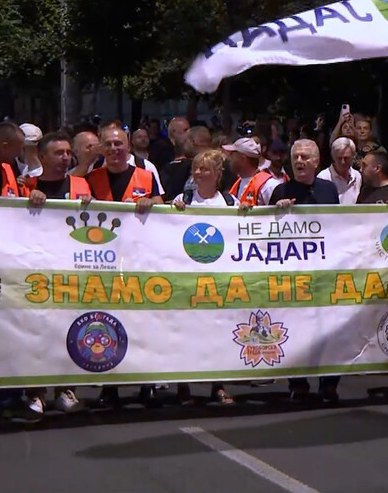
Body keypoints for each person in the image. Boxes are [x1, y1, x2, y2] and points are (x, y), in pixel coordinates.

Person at [87, 123, 162, 410]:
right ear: (102, 148)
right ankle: (110, 385)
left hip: (139, 261)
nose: (115, 149)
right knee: (106, 324)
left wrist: (152, 201)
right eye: (109, 144)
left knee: (142, 323)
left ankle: (148, 384)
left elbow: (161, 202)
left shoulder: (146, 174)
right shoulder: (91, 178)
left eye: (120, 144)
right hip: (103, 262)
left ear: (128, 146)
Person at [20, 132, 92, 419]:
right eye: (58, 153)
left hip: (71, 270)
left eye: (67, 153)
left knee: (70, 330)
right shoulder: (27, 185)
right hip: (35, 270)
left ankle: (65, 390)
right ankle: (35, 393)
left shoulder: (81, 184)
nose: (65, 158)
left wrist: (92, 202)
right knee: (36, 333)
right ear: (43, 156)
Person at [270, 139, 342, 404]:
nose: (299, 161)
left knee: (329, 330)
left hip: (324, 272)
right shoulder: (280, 190)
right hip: (293, 274)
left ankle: (329, 384)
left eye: (304, 157)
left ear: (316, 162)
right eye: (295, 157)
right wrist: (276, 213)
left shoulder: (329, 190)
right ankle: (298, 383)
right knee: (296, 329)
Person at [171, 149, 237, 406]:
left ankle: (218, 385)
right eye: (196, 168)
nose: (198, 173)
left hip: (218, 279)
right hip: (188, 276)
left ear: (218, 174)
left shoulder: (230, 202)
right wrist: (173, 212)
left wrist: (246, 212)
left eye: (204, 169)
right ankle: (183, 385)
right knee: (186, 331)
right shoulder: (183, 198)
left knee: (217, 332)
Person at [223, 137, 281, 207]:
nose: (229, 159)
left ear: (243, 158)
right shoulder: (238, 184)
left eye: (232, 155)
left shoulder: (268, 185)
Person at [318, 136, 361, 204]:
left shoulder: (357, 176)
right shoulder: (323, 177)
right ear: (333, 156)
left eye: (346, 158)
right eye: (339, 158)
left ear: (353, 156)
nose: (342, 162)